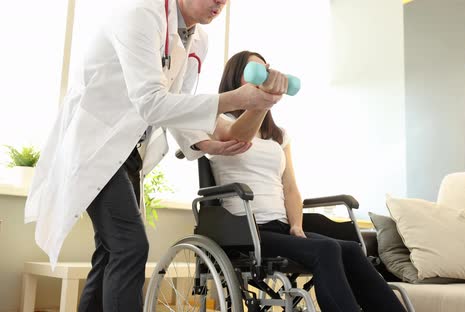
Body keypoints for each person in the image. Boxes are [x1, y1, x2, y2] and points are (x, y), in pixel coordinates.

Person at [23, 0, 288, 311]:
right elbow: (150, 102)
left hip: (129, 151)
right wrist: (233, 100)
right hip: (94, 146)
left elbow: (178, 102)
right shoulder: (140, 14)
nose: (221, 1)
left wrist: (204, 143)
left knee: (111, 251)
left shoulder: (199, 38)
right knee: (130, 247)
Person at [198, 50, 408, 312]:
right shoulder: (217, 120)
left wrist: (296, 225)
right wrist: (264, 101)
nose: (265, 78)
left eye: (268, 71)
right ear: (235, 79)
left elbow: (290, 187)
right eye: (257, 72)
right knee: (327, 249)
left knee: (351, 249)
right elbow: (237, 137)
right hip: (246, 230)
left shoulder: (279, 135)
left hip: (282, 226)